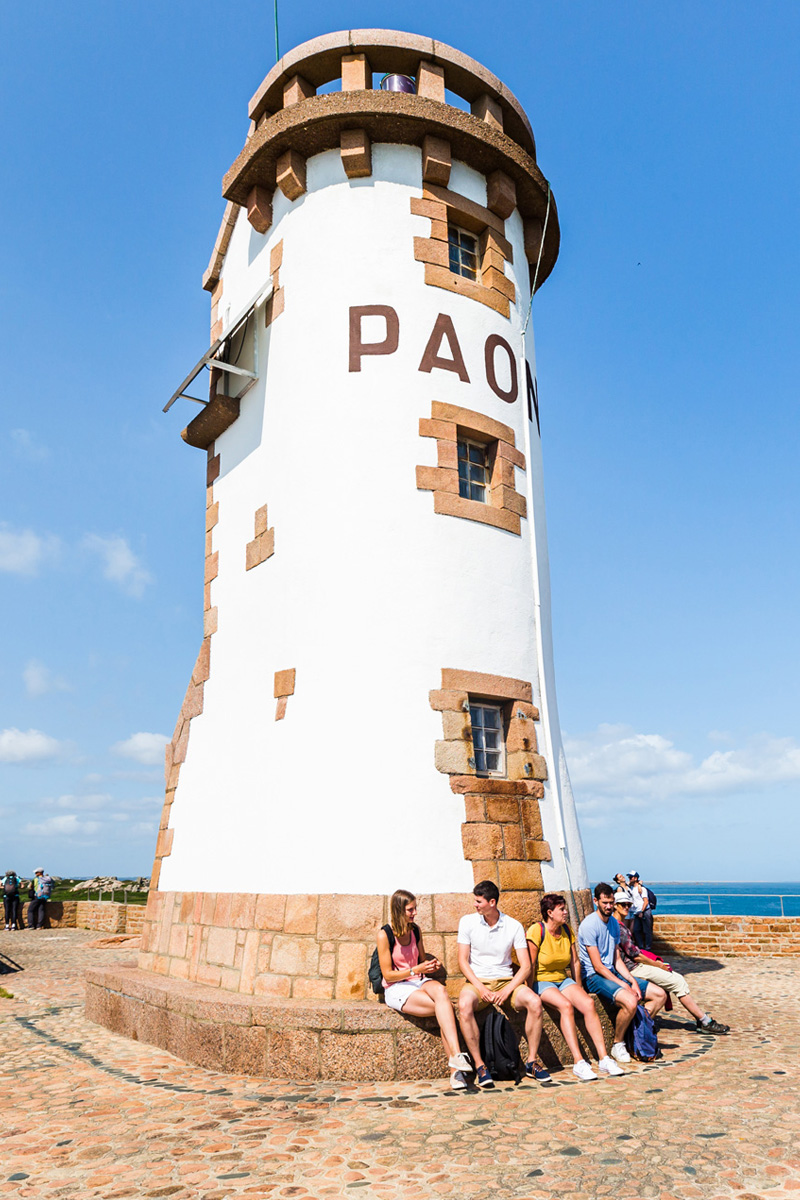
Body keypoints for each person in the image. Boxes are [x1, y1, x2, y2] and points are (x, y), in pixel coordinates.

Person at [457, 880, 550, 1089]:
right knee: (464, 1006)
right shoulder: (467, 922)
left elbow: (526, 966)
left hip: (507, 982)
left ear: (492, 902)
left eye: (479, 901)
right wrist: (481, 989)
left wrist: (508, 990)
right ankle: (480, 1066)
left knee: (535, 1002)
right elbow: (462, 961)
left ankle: (532, 1062)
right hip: (477, 982)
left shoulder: (513, 925)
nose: (475, 905)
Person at [377, 889, 473, 1091]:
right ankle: (456, 1070)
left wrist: (430, 966)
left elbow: (421, 961)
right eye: (410, 909)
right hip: (397, 987)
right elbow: (388, 975)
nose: (414, 913)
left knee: (442, 994)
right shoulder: (384, 935)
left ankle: (455, 1058)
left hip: (418, 980)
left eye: (415, 908)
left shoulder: (415, 930)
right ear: (398, 910)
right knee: (443, 1009)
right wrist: (416, 969)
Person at [526, 892, 624, 1080]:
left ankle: (604, 1058)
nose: (566, 913)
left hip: (562, 979)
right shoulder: (536, 931)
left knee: (588, 1004)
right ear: (549, 912)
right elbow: (530, 965)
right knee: (566, 1006)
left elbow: (575, 962)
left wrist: (578, 987)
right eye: (561, 909)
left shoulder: (567, 931)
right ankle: (579, 1062)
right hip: (542, 980)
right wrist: (529, 990)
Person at [613, 891, 730, 1035]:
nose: (626, 907)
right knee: (678, 981)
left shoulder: (618, 924)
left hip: (632, 966)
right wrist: (658, 965)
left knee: (664, 990)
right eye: (623, 904)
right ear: (615, 906)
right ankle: (704, 1021)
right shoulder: (619, 928)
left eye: (628, 904)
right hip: (633, 968)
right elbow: (635, 955)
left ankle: (642, 1025)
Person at [578, 882, 667, 1064]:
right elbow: (598, 966)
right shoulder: (589, 925)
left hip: (611, 971)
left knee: (660, 995)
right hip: (594, 977)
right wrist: (624, 985)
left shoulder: (614, 924)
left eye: (611, 902)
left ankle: (635, 1033)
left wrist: (631, 981)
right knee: (630, 1000)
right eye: (605, 903)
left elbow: (616, 959)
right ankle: (618, 1044)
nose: (609, 906)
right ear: (596, 901)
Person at [628, 871, 653, 951]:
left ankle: (648, 948)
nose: (629, 879)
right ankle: (641, 947)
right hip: (637, 912)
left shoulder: (641, 889)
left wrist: (642, 911)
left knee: (647, 931)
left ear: (635, 878)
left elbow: (645, 901)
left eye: (631, 877)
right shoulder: (633, 889)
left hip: (644, 911)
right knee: (636, 930)